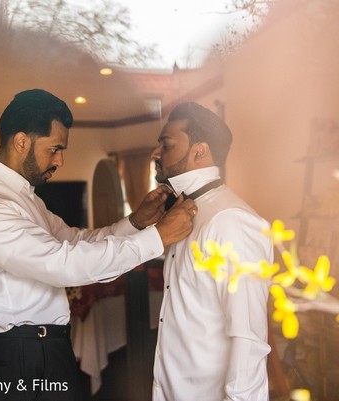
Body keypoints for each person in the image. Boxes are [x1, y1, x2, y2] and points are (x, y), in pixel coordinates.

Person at [0, 88, 197, 401]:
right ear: (21, 141)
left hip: (45, 350)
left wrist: (136, 222)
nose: (60, 160)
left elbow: (75, 241)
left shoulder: (23, 198)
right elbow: (63, 264)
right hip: (23, 360)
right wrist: (158, 237)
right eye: (54, 149)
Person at [150, 102, 274, 401]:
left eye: (166, 145)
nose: (157, 154)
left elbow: (248, 339)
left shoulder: (233, 221)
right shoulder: (183, 214)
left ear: (199, 151)